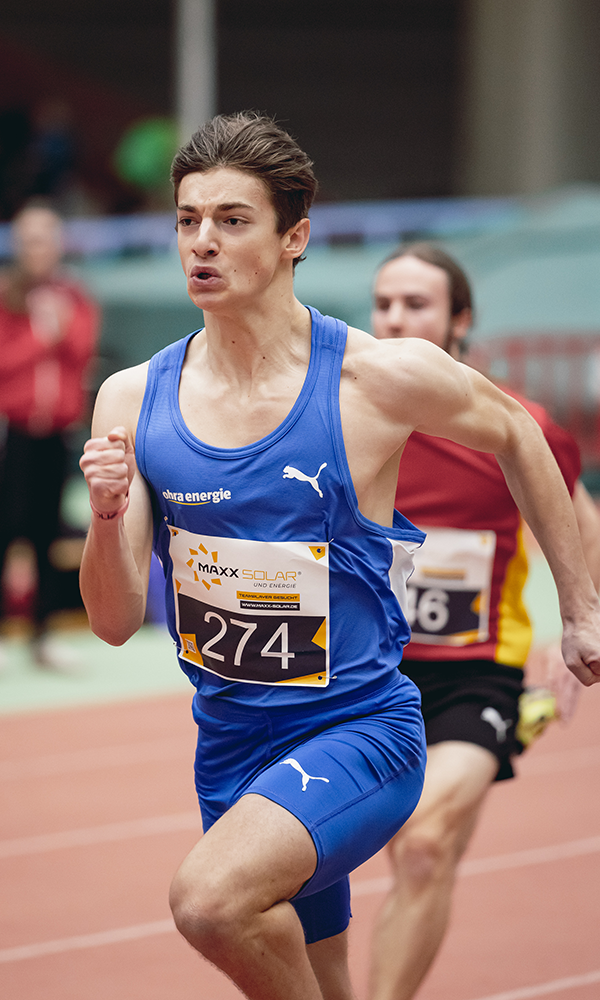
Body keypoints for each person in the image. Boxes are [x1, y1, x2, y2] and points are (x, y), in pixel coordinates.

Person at [78, 113, 600, 1000]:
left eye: (232, 220)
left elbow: (519, 430)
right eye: (186, 219)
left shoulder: (372, 378)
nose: (201, 242)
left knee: (209, 901)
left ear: (295, 238)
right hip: (231, 745)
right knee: (326, 978)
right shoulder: (132, 398)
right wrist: (104, 515)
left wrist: (581, 608)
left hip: (361, 732)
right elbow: (116, 621)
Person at [368, 242, 600, 1000]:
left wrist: (581, 620)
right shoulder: (346, 422)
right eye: (384, 304)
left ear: (461, 320)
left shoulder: (515, 427)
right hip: (364, 677)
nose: (396, 318)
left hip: (476, 676)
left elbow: (581, 524)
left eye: (417, 304)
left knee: (427, 847)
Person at [0, 201, 99, 668]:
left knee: (45, 532)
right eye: (29, 240)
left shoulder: (74, 295)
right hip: (11, 433)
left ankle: (41, 633)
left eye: (45, 238)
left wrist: (60, 333)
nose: (37, 249)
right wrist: (42, 340)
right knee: (6, 529)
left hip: (55, 435)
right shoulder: (6, 294)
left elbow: (80, 350)